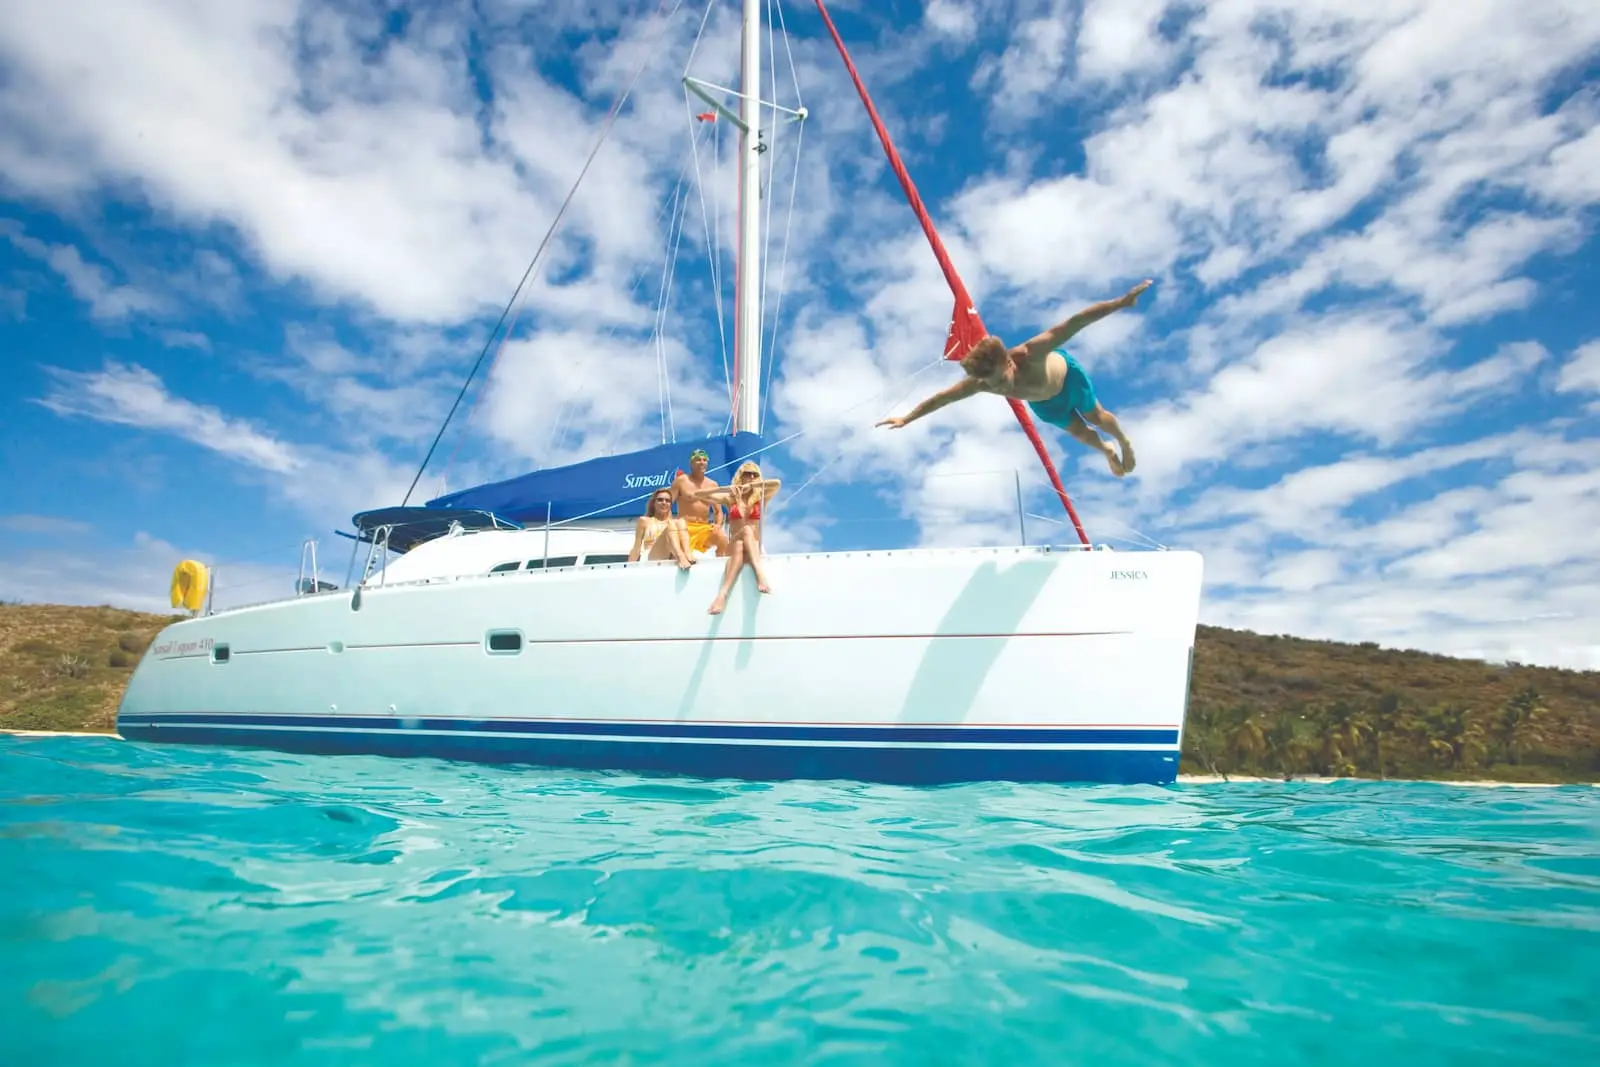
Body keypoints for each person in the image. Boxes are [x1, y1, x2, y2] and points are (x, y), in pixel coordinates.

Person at [875, 279, 1153, 478]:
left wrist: (1121, 303)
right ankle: (1106, 450)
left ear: (1009, 361)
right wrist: (906, 418)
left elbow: (1076, 322)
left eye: (1000, 379)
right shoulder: (982, 382)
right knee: (1080, 432)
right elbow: (942, 398)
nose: (998, 388)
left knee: (1095, 416)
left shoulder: (1032, 353)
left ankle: (1123, 441)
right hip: (1045, 404)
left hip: (1067, 379)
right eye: (993, 385)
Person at [691, 461, 780, 615]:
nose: (751, 477)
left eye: (755, 474)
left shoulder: (762, 496)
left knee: (742, 543)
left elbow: (777, 483)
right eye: (747, 474)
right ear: (741, 477)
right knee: (745, 531)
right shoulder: (731, 498)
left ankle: (722, 595)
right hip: (732, 545)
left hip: (753, 546)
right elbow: (700, 494)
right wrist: (727, 489)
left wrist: (752, 487)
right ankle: (759, 574)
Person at [670, 448, 731, 557]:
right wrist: (669, 523)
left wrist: (717, 525)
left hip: (703, 527)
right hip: (685, 527)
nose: (702, 462)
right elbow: (668, 504)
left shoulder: (713, 485)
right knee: (681, 555)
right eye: (698, 460)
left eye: (704, 460)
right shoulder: (681, 481)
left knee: (722, 539)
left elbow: (718, 512)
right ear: (691, 463)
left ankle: (720, 566)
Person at [628, 489, 694, 570]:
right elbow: (636, 548)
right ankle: (680, 556)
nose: (664, 502)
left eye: (667, 501)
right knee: (671, 525)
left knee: (681, 521)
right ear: (654, 503)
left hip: (671, 555)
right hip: (652, 557)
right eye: (660, 500)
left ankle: (687, 554)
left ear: (670, 505)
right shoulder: (644, 521)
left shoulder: (675, 523)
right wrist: (629, 568)